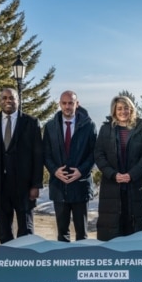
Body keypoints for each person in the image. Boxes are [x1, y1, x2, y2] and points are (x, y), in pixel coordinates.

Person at [0, 88, 43, 244]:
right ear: (0, 101)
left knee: (26, 231)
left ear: (18, 100)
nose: (8, 101)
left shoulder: (31, 123)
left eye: (12, 98)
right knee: (4, 231)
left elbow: (38, 156)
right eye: (5, 98)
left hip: (24, 186)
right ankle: (7, 263)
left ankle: (26, 263)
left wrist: (36, 184)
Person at [94, 96, 142, 241]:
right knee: (111, 230)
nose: (123, 111)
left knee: (134, 230)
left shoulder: (141, 129)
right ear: (114, 110)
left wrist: (132, 175)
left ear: (131, 109)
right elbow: (99, 154)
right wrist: (113, 174)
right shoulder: (106, 129)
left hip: (134, 186)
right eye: (119, 108)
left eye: (126, 108)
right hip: (111, 187)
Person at [43, 90, 97, 242]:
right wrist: (54, 170)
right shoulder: (50, 127)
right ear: (60, 104)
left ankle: (81, 264)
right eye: (64, 103)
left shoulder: (89, 125)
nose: (67, 106)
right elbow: (45, 153)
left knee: (82, 234)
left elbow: (94, 153)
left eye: (71, 103)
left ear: (77, 104)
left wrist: (81, 171)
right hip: (59, 187)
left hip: (80, 186)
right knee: (62, 233)